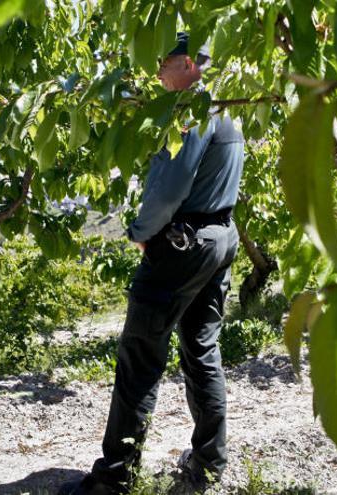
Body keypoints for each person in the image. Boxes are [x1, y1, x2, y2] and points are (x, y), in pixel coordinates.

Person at [65, 32, 245, 495]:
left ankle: (115, 477)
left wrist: (141, 232)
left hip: (182, 245)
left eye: (163, 63)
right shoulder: (228, 105)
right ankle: (208, 462)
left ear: (187, 63)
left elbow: (169, 188)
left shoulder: (191, 111)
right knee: (202, 349)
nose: (158, 71)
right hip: (221, 237)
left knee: (140, 357)